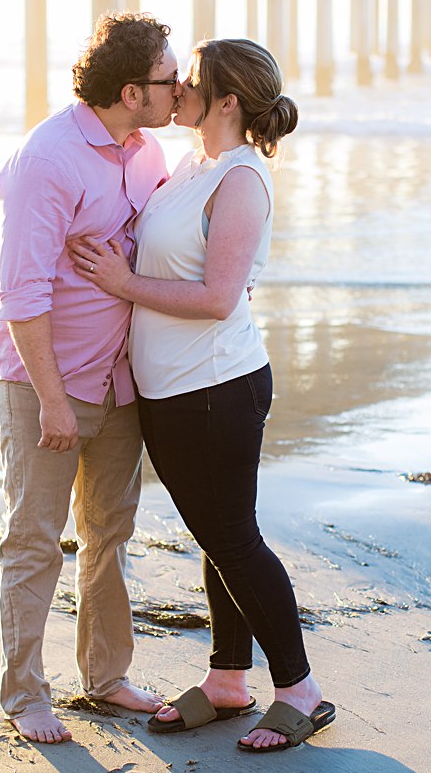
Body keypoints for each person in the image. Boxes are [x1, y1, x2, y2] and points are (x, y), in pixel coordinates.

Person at [68, 38, 335, 753]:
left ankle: (301, 691)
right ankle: (226, 680)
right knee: (217, 536)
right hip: (178, 391)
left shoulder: (240, 178)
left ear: (227, 102)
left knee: (234, 539)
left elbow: (220, 298)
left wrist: (123, 285)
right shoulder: (195, 162)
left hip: (217, 389)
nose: (176, 85)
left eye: (192, 76)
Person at [0, 12, 182, 744]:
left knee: (110, 532)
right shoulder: (50, 159)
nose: (182, 90)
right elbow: (23, 292)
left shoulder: (145, 152)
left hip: (119, 382)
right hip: (47, 382)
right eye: (170, 80)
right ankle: (25, 693)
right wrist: (50, 400)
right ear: (132, 90)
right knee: (36, 537)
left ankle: (105, 678)